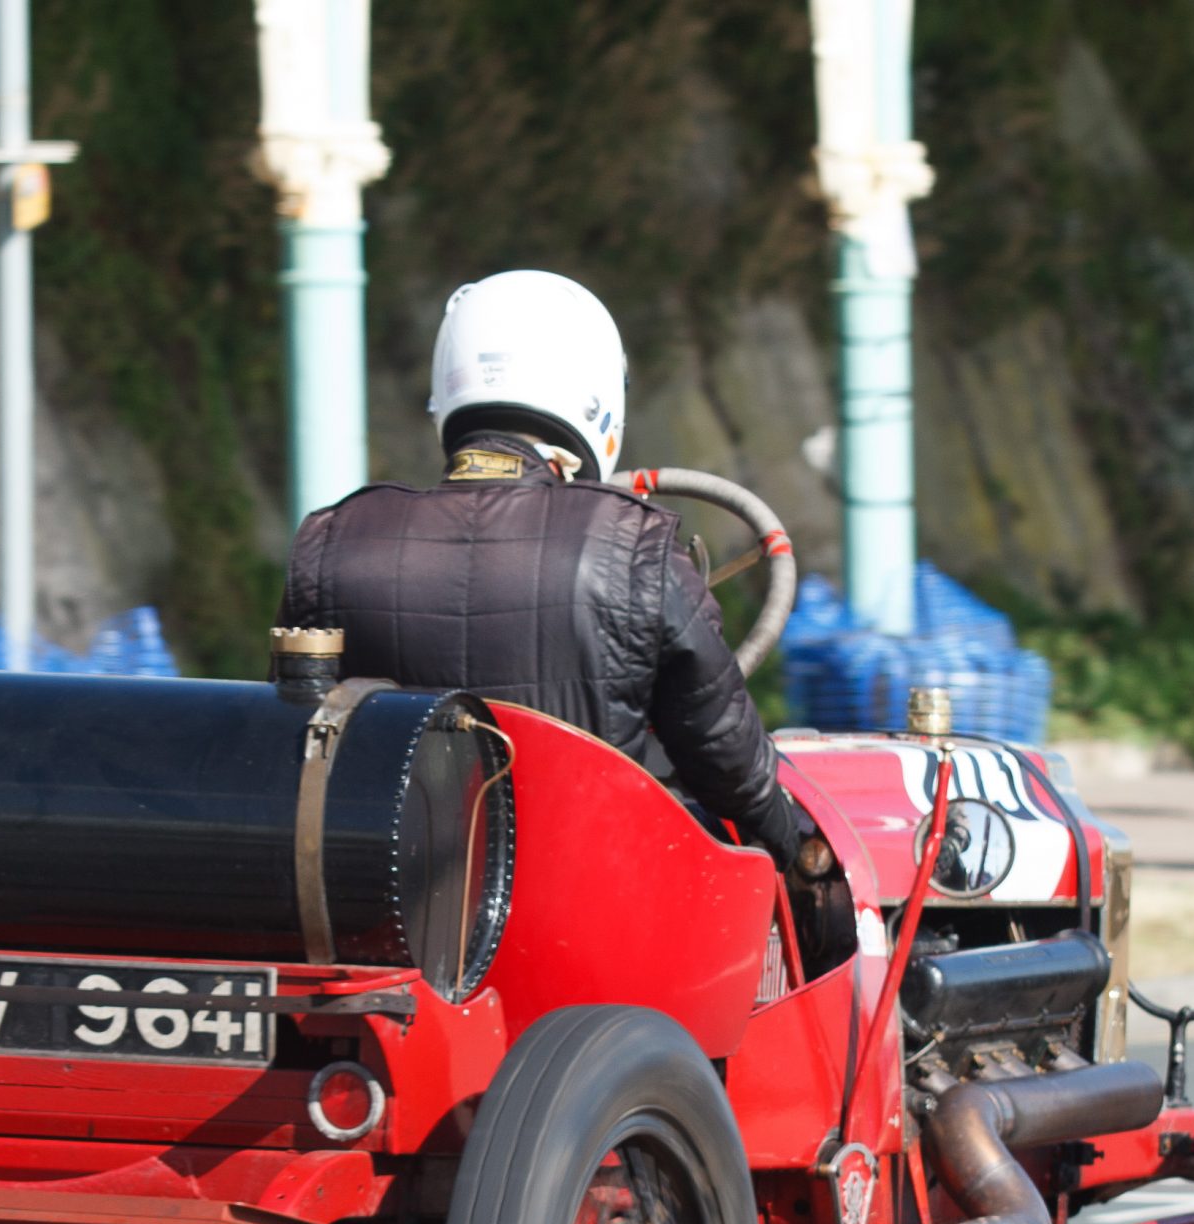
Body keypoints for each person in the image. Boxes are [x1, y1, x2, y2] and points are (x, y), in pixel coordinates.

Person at [276, 269, 804, 868]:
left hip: (397, 911)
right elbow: (724, 756)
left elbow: (294, 735)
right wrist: (797, 844)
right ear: (599, 394)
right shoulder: (634, 543)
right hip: (588, 904)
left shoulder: (334, 541)